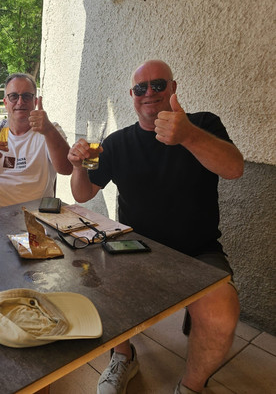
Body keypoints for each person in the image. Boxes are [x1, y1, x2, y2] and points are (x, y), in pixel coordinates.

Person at [68, 60, 243, 394]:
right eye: (140, 88)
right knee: (92, 276)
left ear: (173, 88)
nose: (149, 92)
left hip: (198, 250)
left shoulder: (203, 124)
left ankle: (191, 386)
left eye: (158, 85)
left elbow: (234, 168)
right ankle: (123, 356)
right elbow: (83, 192)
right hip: (135, 248)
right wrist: (77, 166)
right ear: (132, 95)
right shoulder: (116, 142)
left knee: (221, 310)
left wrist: (188, 135)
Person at [0, 73, 72, 209]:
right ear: (5, 102)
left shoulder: (49, 129)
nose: (20, 102)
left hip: (38, 213)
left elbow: (67, 169)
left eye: (26, 96)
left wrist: (49, 130)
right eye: (14, 96)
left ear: (35, 102)